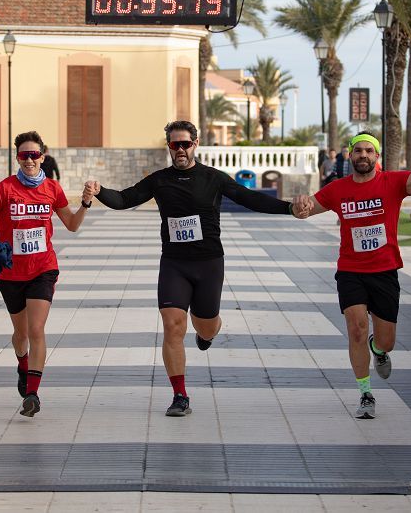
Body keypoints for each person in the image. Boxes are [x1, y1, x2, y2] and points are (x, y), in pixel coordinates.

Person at [85, 121, 309, 418]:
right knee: (172, 325)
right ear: (169, 147)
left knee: (204, 324)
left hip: (208, 263)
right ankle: (180, 395)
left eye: (185, 144)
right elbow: (125, 199)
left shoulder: (213, 178)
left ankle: (209, 331)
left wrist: (287, 208)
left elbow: (249, 198)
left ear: (195, 144)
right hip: (174, 263)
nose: (180, 150)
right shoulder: (159, 180)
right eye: (174, 145)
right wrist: (100, 191)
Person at [294, 131, 411, 420]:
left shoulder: (393, 182)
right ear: (350, 156)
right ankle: (365, 393)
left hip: (384, 271)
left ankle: (378, 350)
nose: (364, 156)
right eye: (359, 151)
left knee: (386, 340)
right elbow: (306, 211)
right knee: (356, 329)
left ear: (377, 157)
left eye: (369, 151)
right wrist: (300, 205)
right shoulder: (337, 189)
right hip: (350, 271)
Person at [0, 131, 95, 418]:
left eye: (34, 154)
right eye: (23, 155)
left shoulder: (52, 188)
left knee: (36, 329)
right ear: (17, 157)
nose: (29, 160)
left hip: (43, 269)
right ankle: (22, 363)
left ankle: (32, 393)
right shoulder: (5, 188)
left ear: (43, 156)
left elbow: (72, 225)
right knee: (20, 333)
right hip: (11, 272)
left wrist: (86, 203)